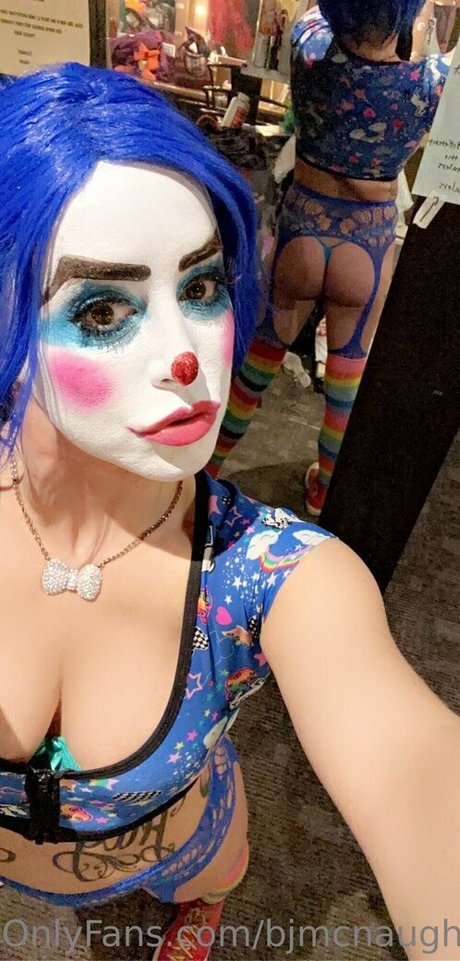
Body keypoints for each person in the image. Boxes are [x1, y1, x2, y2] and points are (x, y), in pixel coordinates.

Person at [0, 63, 459, 961]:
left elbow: (417, 771)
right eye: (103, 308)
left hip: (185, 847)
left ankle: (204, 903)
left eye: (203, 288)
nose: (186, 355)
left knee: (211, 874)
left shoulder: (275, 573)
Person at [207, 0, 453, 516]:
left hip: (302, 229)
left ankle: (207, 471)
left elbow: (320, 12)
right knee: (347, 377)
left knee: (258, 363)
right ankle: (323, 490)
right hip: (368, 244)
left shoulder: (309, 44)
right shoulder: (434, 82)